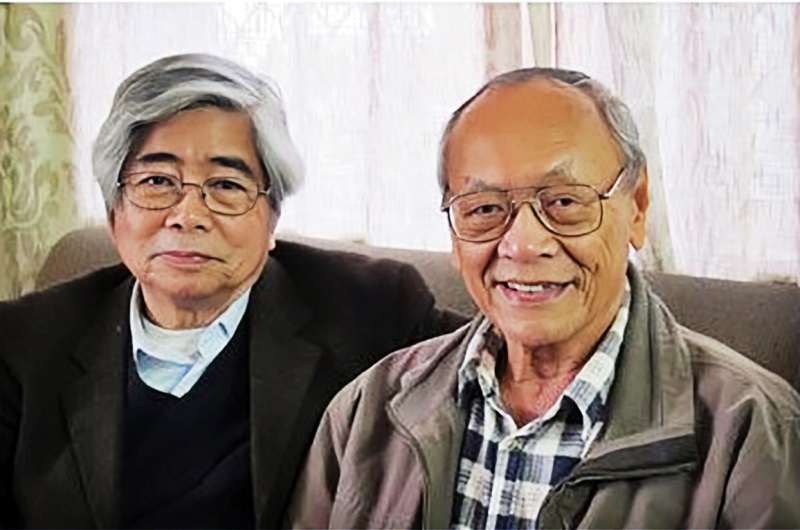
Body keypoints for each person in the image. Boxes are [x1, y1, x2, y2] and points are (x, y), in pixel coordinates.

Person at [289, 67, 800, 528]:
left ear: (638, 207)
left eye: (564, 202)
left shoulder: (754, 432)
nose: (523, 244)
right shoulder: (367, 411)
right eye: (484, 208)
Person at [0, 53, 466, 528]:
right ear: (114, 212)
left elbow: (496, 357)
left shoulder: (371, 309)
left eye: (225, 184)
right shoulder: (24, 344)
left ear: (271, 219)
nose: (188, 215)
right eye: (157, 181)